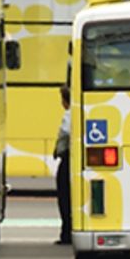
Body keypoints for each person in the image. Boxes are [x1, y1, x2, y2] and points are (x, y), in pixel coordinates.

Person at [53, 85, 72, 245]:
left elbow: (66, 131)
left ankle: (66, 232)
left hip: (68, 157)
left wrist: (58, 148)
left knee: (64, 196)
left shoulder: (70, 113)